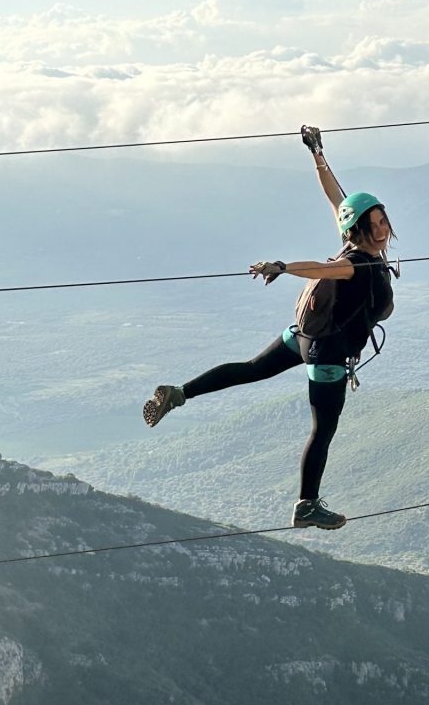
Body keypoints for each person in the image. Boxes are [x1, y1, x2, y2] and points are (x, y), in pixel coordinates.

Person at [142, 125, 396, 530]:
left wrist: (317, 153)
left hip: (301, 337)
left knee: (250, 369)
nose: (383, 229)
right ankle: (307, 504)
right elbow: (320, 268)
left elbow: (335, 196)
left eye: (384, 221)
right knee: (322, 430)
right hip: (327, 355)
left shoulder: (352, 242)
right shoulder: (357, 263)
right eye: (376, 224)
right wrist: (283, 266)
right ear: (360, 230)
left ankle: (179, 392)